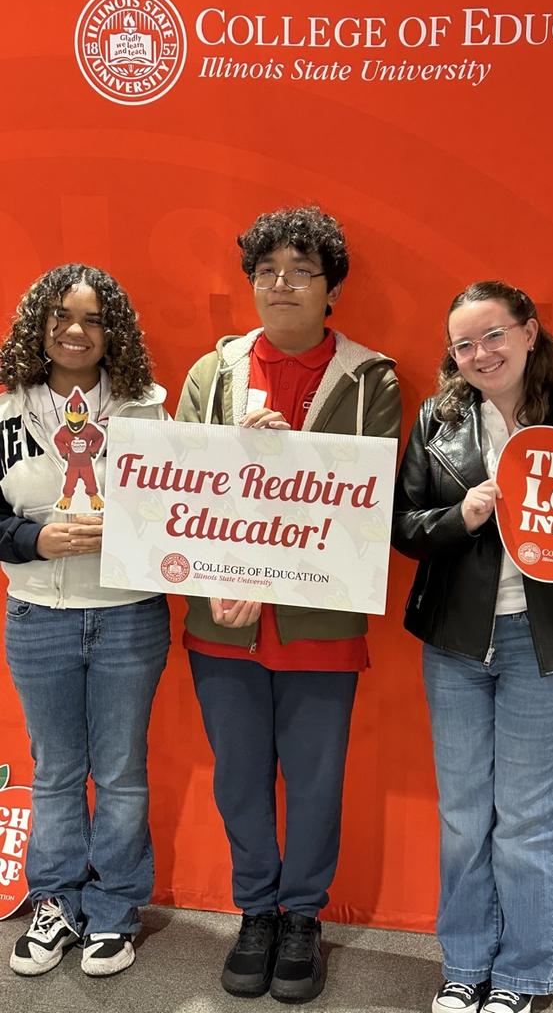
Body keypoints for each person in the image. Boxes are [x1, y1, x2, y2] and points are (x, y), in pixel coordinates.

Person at [176, 206, 401, 1003]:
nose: (281, 285)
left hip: (320, 622)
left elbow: (364, 505)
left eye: (301, 271)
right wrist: (217, 578)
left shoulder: (372, 378)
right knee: (239, 778)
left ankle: (301, 915)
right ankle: (256, 912)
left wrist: (282, 458)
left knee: (313, 780)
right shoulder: (215, 372)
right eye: (267, 271)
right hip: (222, 620)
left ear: (330, 286)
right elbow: (179, 491)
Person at [392, 281, 553, 1013]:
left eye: (493, 335)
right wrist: (464, 514)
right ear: (452, 355)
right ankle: (464, 965)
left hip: (549, 645)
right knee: (462, 817)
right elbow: (403, 528)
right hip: (457, 644)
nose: (480, 353)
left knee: (528, 819)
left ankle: (522, 977)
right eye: (463, 343)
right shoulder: (437, 418)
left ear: (527, 331)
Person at [0, 264, 170, 977]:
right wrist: (30, 541)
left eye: (93, 318)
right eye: (60, 318)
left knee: (124, 770)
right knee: (57, 770)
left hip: (129, 616)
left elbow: (183, 509)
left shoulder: (147, 408)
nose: (76, 331)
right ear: (37, 328)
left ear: (114, 332)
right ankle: (56, 903)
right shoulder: (5, 407)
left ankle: (114, 911)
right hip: (37, 613)